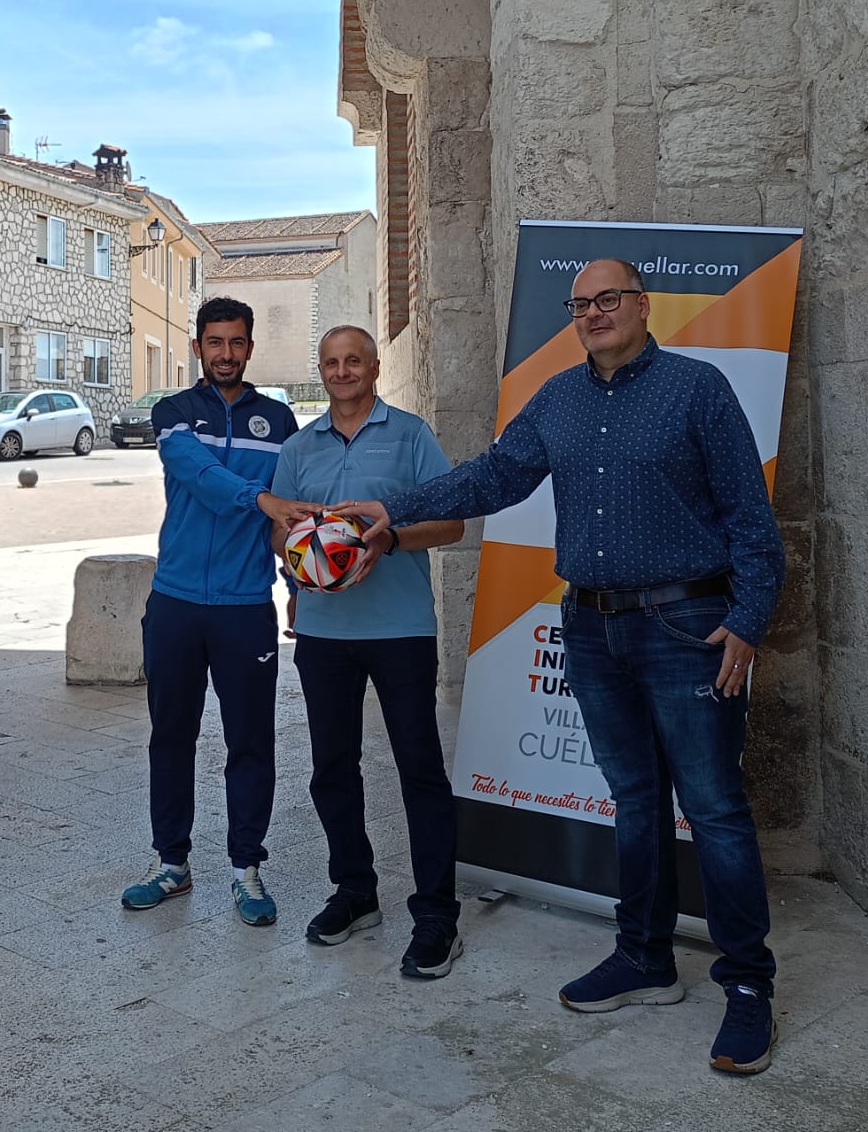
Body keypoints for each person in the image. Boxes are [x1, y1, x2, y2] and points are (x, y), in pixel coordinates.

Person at [335, 258, 786, 1075]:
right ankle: (645, 956)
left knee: (715, 809)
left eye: (608, 298)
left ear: (644, 306)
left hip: (689, 625)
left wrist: (747, 622)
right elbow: (494, 476)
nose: (593, 313)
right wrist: (393, 509)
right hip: (592, 627)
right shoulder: (559, 398)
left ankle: (748, 984)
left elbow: (752, 519)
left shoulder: (697, 389)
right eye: (580, 304)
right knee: (636, 802)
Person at [269, 325, 467, 979]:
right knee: (331, 770)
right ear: (320, 371)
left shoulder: (410, 435)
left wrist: (387, 541)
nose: (343, 370)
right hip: (325, 633)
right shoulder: (299, 447)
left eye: (354, 360)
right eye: (331, 362)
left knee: (421, 771)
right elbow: (279, 532)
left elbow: (452, 520)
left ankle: (437, 915)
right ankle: (355, 894)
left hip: (401, 628)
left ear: (375, 367)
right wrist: (300, 557)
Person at [122, 297, 315, 926]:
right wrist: (259, 497)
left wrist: (296, 583)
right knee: (171, 736)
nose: (225, 354)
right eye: (214, 343)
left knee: (251, 742)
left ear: (250, 348)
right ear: (198, 348)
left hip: (243, 610)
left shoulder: (279, 421)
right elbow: (199, 474)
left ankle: (246, 870)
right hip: (176, 603)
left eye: (236, 343)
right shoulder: (174, 413)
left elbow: (289, 518)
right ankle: (171, 865)